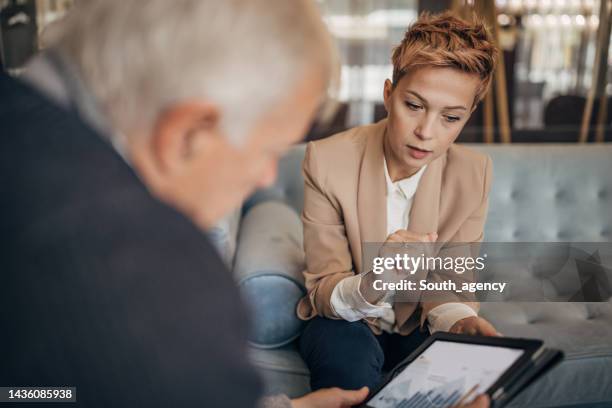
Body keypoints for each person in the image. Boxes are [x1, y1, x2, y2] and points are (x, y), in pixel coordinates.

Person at [0, 1, 490, 407]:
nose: (263, 176)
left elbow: (35, 394)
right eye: (265, 149)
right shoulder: (156, 295)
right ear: (185, 134)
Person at [297, 12, 501, 394]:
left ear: (468, 116)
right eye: (414, 106)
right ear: (389, 94)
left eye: (450, 117)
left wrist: (460, 321)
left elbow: (450, 282)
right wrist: (378, 279)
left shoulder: (474, 174)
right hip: (344, 319)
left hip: (417, 323)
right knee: (349, 367)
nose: (426, 133)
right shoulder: (326, 160)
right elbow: (323, 288)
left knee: (461, 377)